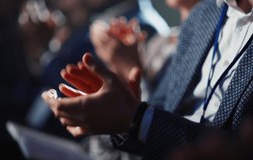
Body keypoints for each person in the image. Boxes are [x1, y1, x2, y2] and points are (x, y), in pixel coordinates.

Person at [42, 0, 253, 159]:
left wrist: (134, 117)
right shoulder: (204, 16)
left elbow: (235, 149)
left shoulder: (148, 25)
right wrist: (120, 115)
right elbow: (156, 110)